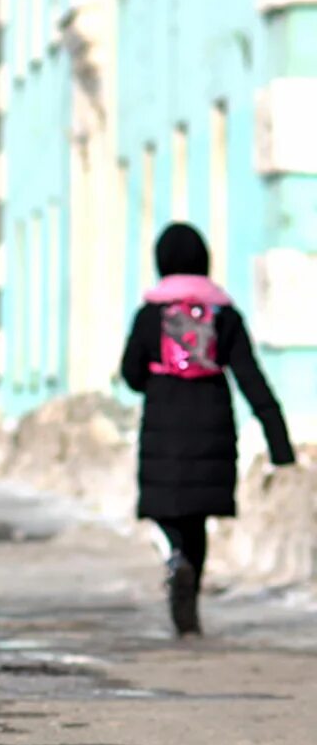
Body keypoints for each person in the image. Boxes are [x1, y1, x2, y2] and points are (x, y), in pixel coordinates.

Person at [120, 222, 296, 636]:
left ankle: (174, 559)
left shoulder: (150, 316)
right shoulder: (225, 315)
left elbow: (130, 373)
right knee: (196, 519)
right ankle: (189, 596)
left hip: (164, 422)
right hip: (212, 422)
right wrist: (279, 442)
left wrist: (155, 380)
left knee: (166, 511)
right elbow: (251, 377)